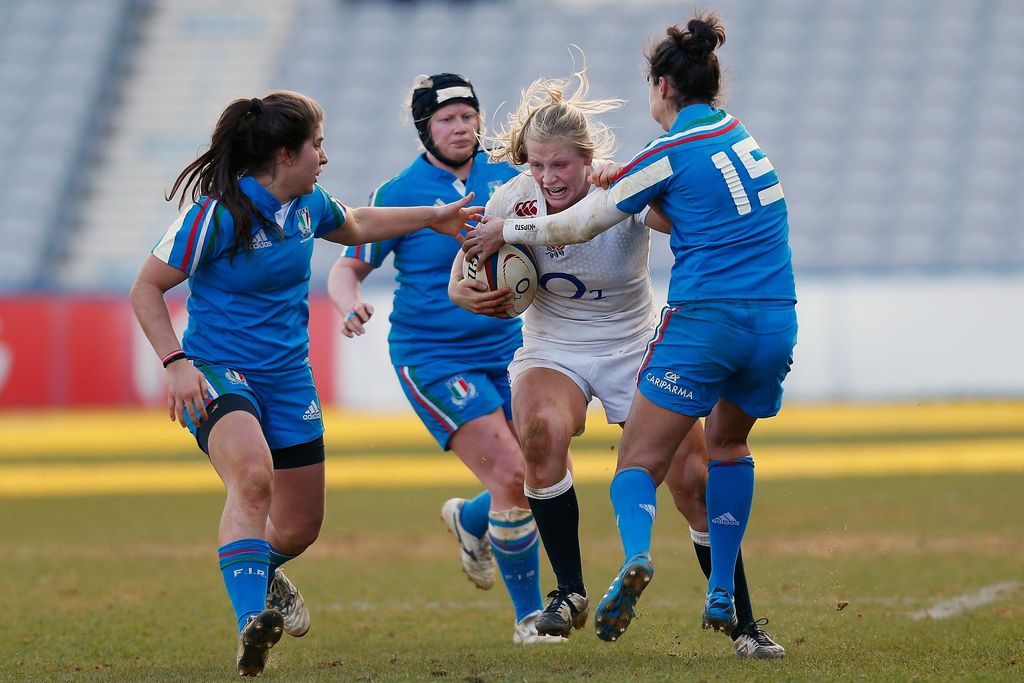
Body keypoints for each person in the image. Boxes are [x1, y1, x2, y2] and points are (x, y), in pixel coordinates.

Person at [465, 12, 796, 652]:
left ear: (590, 159)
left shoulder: (636, 177)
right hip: (555, 346)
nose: (547, 177)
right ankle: (569, 594)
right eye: (536, 164)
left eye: (559, 164)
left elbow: (645, 221)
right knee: (539, 435)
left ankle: (745, 624)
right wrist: (472, 294)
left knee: (693, 480)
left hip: (637, 341)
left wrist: (634, 195)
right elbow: (463, 275)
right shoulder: (511, 198)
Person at [129, 90, 480, 677]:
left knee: (299, 526)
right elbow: (146, 287)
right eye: (318, 145)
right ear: (286, 155)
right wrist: (175, 362)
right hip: (218, 371)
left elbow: (358, 223)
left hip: (289, 378)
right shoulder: (219, 214)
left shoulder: (307, 204)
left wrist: (435, 217)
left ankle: (261, 571)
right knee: (251, 474)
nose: (326, 156)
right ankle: (250, 622)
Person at [327, 74, 560, 644]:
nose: (461, 127)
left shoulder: (510, 177)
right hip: (433, 356)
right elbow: (346, 266)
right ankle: (530, 619)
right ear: (424, 129)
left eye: (467, 116)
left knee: (542, 467)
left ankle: (470, 519)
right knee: (510, 473)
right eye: (446, 119)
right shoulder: (399, 191)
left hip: (511, 350)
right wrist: (349, 302)